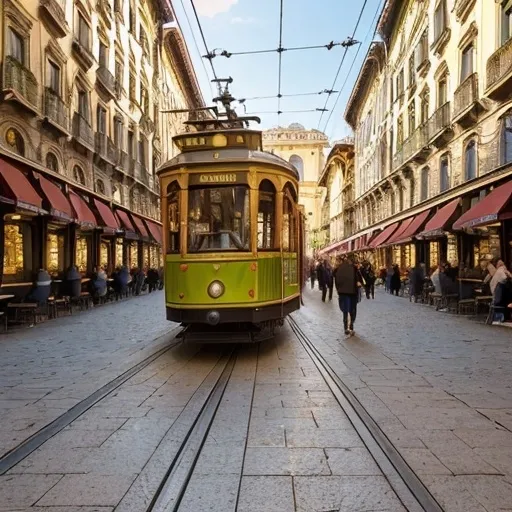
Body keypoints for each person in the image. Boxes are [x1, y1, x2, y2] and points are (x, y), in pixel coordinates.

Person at [333, 255, 363, 336]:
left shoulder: (339, 268)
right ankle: (351, 327)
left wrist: (339, 291)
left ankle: (346, 327)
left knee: (345, 311)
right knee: (352, 310)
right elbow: (360, 281)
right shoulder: (354, 268)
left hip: (343, 293)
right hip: (352, 293)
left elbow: (336, 279)